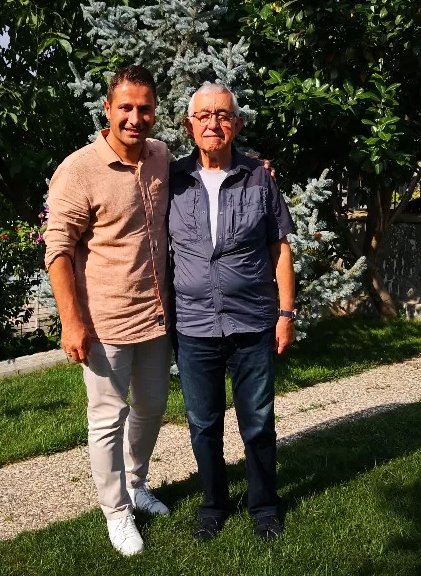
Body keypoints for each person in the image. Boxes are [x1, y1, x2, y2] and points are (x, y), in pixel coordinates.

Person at [43, 65, 172, 557]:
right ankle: (116, 514)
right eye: (126, 108)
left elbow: (206, 169)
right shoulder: (79, 169)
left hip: (156, 316)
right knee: (107, 419)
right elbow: (58, 248)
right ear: (108, 109)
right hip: (105, 321)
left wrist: (254, 167)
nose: (135, 118)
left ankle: (137, 484)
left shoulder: (161, 156)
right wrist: (71, 321)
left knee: (152, 407)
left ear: (154, 111)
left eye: (145, 108)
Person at [168, 83, 296, 543]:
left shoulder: (259, 177)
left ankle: (264, 506)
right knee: (203, 425)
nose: (213, 124)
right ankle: (213, 504)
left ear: (236, 124)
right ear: (190, 125)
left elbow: (280, 248)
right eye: (203, 116)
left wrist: (286, 313)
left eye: (222, 115)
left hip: (252, 321)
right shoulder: (172, 179)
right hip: (194, 325)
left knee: (257, 422)